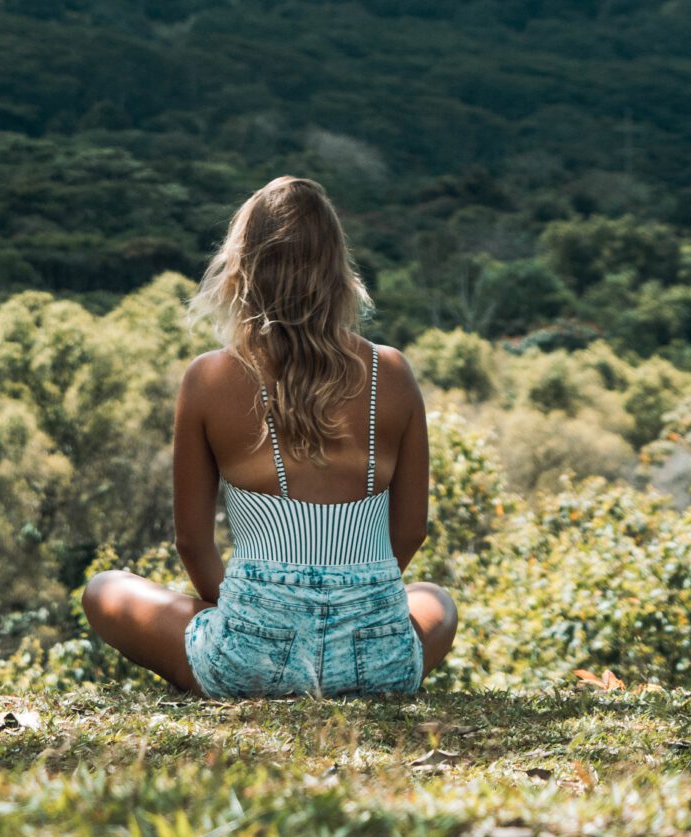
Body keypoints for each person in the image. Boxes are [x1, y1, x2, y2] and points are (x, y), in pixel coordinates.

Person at [82, 176, 457, 697]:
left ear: (243, 267)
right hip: (378, 659)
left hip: (250, 660)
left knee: (105, 588)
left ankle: (241, 666)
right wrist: (351, 600)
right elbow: (411, 529)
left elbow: (192, 541)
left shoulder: (209, 378)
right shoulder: (391, 372)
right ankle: (355, 669)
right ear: (337, 269)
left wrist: (258, 617)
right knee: (436, 599)